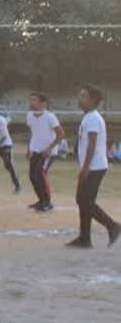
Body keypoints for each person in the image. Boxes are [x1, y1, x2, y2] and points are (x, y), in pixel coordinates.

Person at [66, 85, 121, 248]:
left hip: (94, 167)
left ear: (92, 100)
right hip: (92, 166)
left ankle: (113, 226)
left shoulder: (92, 118)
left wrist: (85, 169)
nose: (79, 99)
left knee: (86, 201)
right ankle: (85, 238)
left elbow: (91, 145)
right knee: (82, 200)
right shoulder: (89, 117)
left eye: (83, 96)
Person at [25, 92, 65, 212]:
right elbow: (32, 132)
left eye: (34, 100)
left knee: (39, 174)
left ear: (42, 103)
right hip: (35, 151)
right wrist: (28, 148)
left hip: (48, 152)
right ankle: (41, 200)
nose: (31, 102)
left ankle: (47, 202)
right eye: (30, 99)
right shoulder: (29, 115)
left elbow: (61, 134)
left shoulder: (50, 117)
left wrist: (50, 148)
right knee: (32, 176)